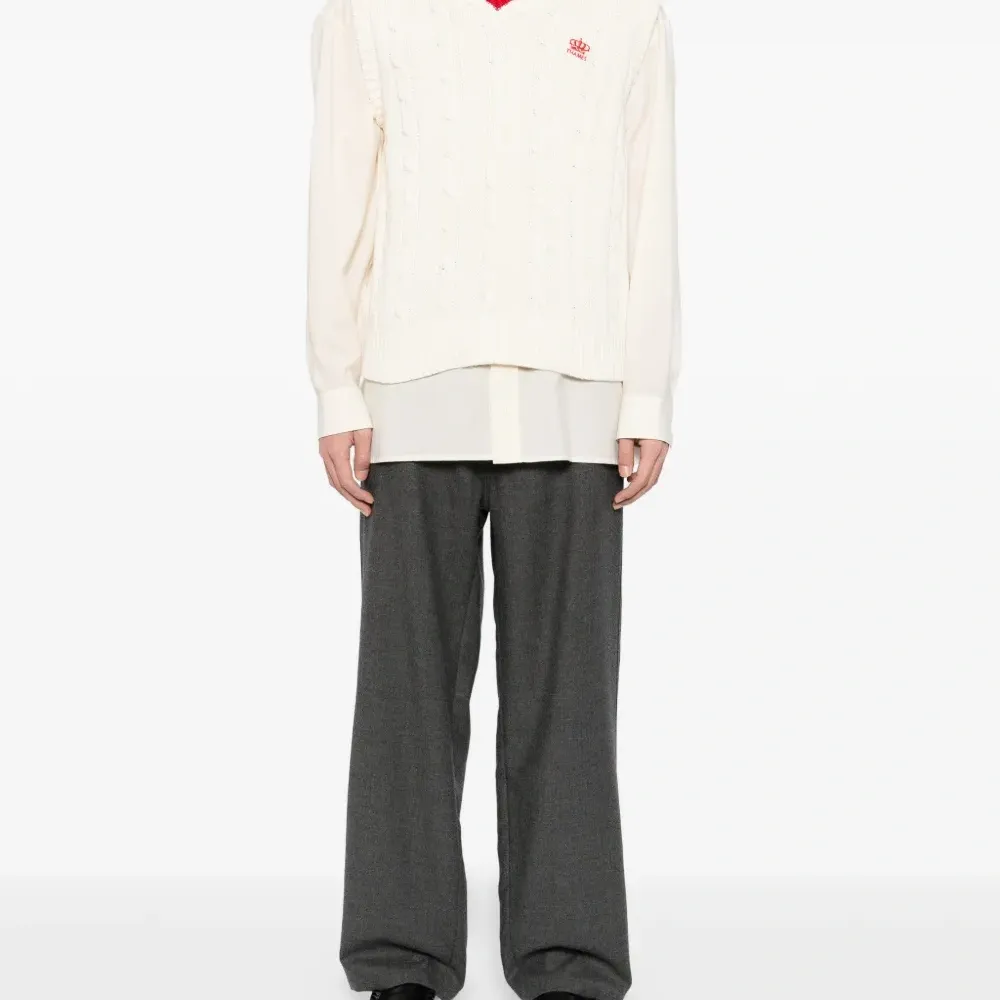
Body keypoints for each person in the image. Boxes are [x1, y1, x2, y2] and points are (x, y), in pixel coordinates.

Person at [306, 0, 680, 998]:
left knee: (570, 694)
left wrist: (646, 391)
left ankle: (569, 959)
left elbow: (649, 198)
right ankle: (401, 959)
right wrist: (337, 385)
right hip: (409, 389)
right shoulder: (370, 8)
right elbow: (341, 187)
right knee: (405, 694)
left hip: (577, 394)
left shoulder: (625, 12)